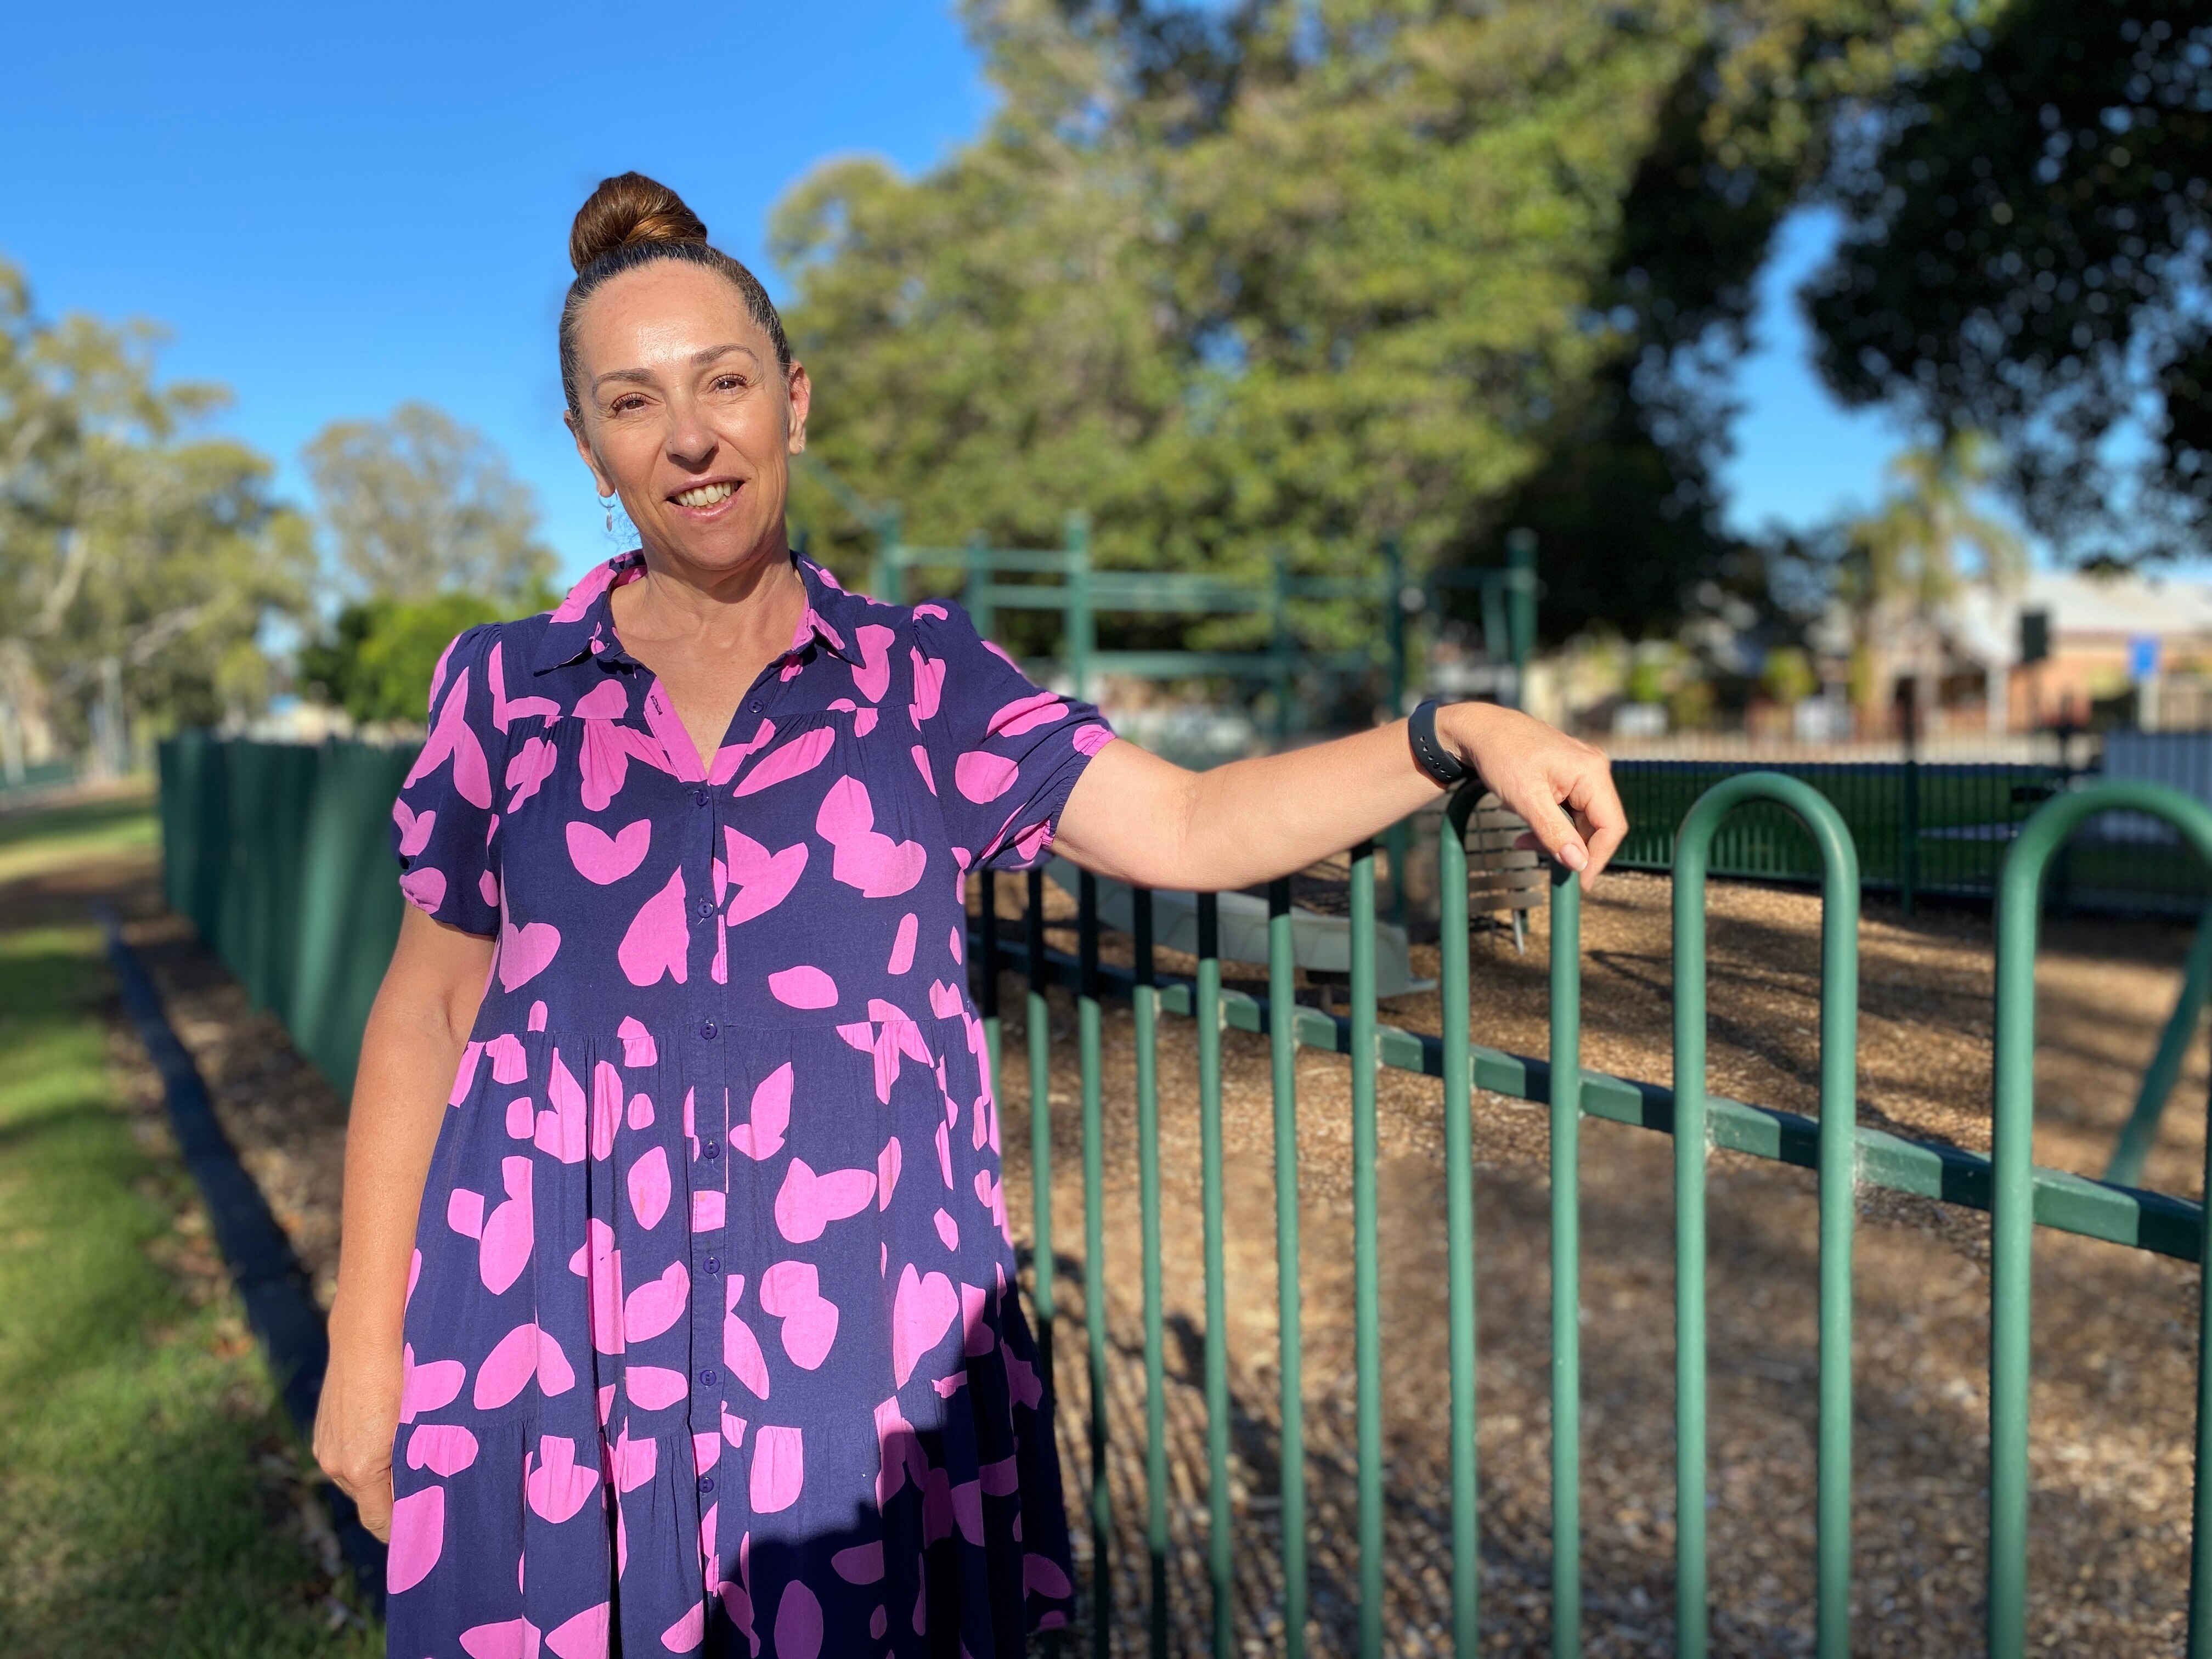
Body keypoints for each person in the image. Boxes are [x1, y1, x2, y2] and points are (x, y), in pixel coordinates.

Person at [314, 171, 1626, 1659]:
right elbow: (428, 1013)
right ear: (590, 450)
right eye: (634, 403)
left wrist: (1446, 734)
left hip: (847, 1363)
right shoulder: (502, 691)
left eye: (725, 384)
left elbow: (1189, 823)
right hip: (554, 1340)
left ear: (792, 402)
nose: (691, 436)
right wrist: (367, 1354)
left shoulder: (920, 681)